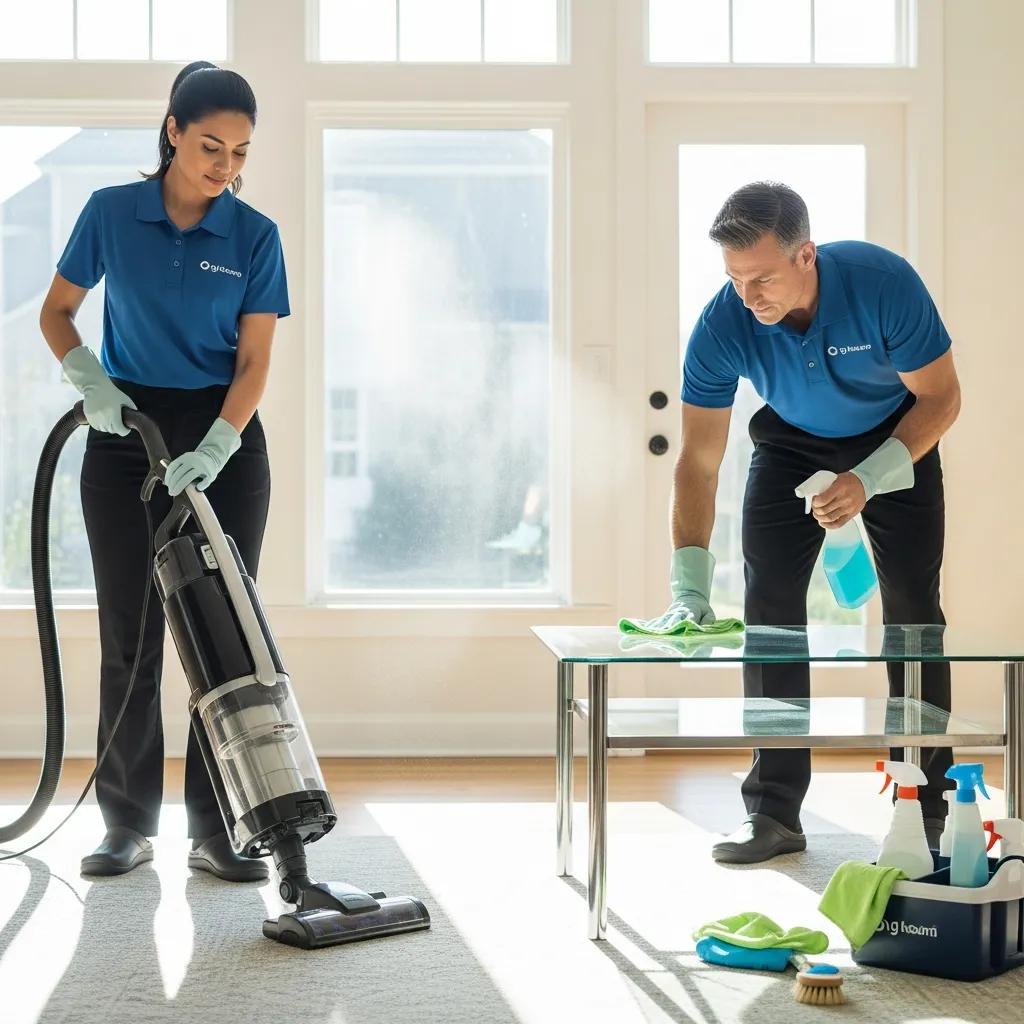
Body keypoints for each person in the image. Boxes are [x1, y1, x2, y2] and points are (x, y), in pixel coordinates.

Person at [38, 61, 290, 879]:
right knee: (132, 633)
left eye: (241, 152)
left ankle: (218, 832)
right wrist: (91, 384)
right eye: (211, 145)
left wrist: (218, 445)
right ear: (173, 132)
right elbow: (58, 312)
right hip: (126, 429)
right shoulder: (112, 213)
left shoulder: (255, 236)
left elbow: (254, 363)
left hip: (224, 431)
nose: (225, 166)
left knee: (223, 639)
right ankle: (126, 824)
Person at [664, 181, 961, 863]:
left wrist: (872, 478)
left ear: (806, 256)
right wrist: (688, 586)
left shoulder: (882, 284)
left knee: (914, 609)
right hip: (791, 440)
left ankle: (930, 808)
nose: (748, 296)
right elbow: (699, 461)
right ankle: (773, 813)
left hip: (896, 432)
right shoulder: (722, 325)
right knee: (769, 607)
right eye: (735, 279)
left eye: (762, 277)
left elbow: (942, 398)